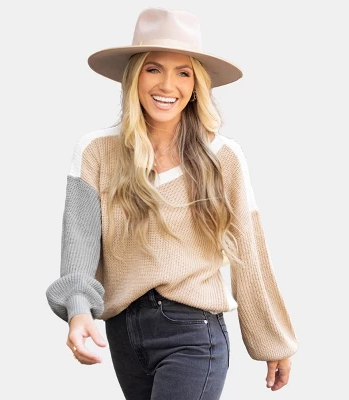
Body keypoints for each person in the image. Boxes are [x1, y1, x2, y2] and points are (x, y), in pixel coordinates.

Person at [45, 7, 298, 400]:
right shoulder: (96, 151)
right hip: (124, 334)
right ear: (134, 76)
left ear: (196, 84)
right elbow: (79, 244)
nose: (168, 84)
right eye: (153, 69)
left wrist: (272, 341)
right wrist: (78, 312)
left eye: (183, 72)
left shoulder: (223, 157)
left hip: (193, 332)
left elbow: (249, 253)